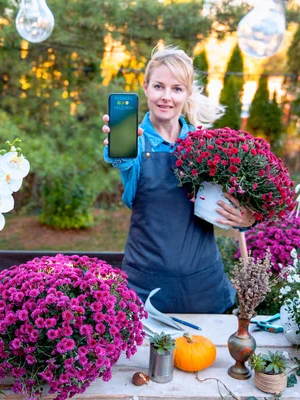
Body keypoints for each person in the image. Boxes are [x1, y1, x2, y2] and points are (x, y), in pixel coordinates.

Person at [102, 46, 256, 313]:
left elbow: (234, 201)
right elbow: (124, 162)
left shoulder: (206, 145)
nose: (166, 97)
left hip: (203, 287)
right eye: (159, 86)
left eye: (176, 89)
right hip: (144, 287)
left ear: (187, 94)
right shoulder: (136, 141)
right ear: (146, 88)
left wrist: (246, 218)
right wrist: (116, 149)